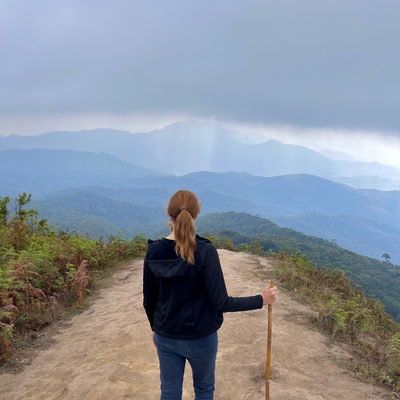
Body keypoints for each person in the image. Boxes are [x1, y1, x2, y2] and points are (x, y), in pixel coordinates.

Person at [143, 189, 277, 400]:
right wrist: (261, 299)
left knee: (169, 391)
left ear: (169, 214)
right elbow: (221, 302)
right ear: (196, 215)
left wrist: (155, 327)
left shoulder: (154, 251)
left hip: (166, 335)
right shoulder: (205, 251)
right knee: (204, 390)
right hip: (201, 338)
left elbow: (149, 300)